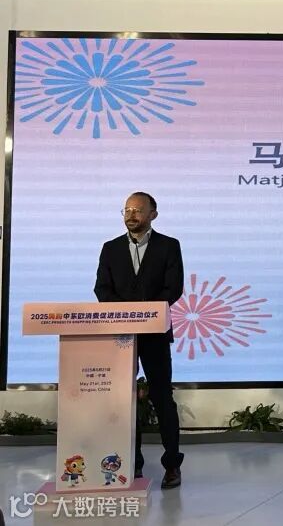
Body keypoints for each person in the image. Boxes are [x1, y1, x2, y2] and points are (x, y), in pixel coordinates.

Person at [94, 192, 184, 489]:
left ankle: (172, 464)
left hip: (155, 334)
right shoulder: (110, 248)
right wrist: (127, 314)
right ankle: (132, 465)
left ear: (153, 215)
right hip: (120, 335)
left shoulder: (169, 246)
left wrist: (146, 314)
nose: (131, 215)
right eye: (127, 210)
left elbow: (173, 288)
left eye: (138, 210)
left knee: (162, 398)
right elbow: (102, 289)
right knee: (124, 399)